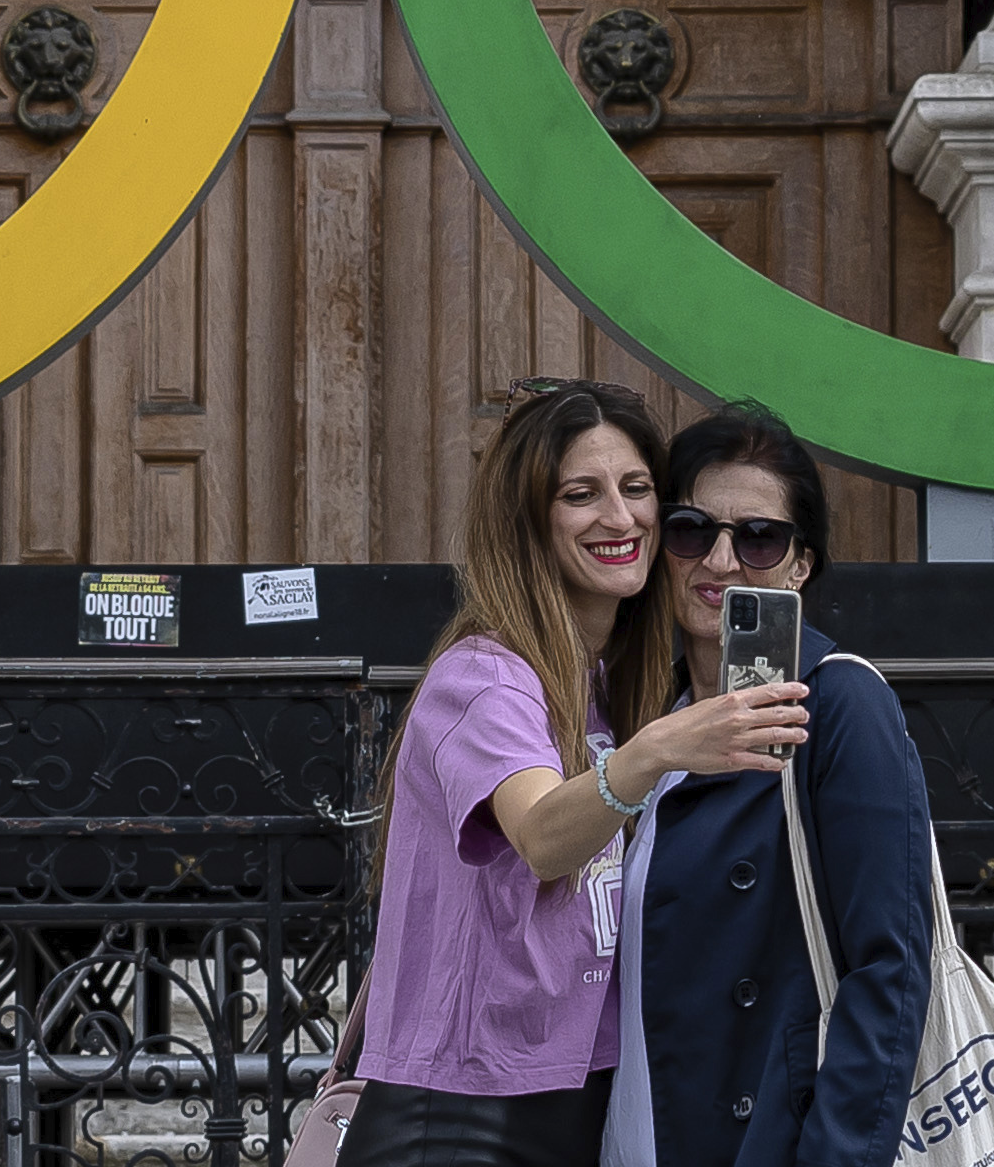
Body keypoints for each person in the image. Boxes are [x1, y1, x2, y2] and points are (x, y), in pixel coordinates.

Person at [340, 380, 820, 1167]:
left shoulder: (608, 691)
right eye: (580, 494)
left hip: (579, 1105)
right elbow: (540, 836)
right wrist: (658, 749)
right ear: (532, 521)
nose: (620, 516)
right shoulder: (486, 678)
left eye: (637, 489)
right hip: (464, 1118)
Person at [613, 402, 933, 1167]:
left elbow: (887, 970)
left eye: (759, 537)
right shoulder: (638, 720)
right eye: (693, 530)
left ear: (800, 565)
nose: (720, 562)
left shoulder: (836, 702)